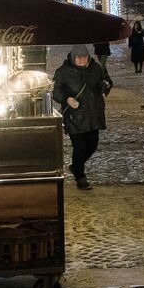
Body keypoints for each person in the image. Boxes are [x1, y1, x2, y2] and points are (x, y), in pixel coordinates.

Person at [52, 44, 113, 190]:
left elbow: (107, 80)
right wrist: (67, 99)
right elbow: (56, 92)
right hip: (74, 116)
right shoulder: (62, 72)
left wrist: (104, 86)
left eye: (85, 57)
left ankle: (75, 166)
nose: (82, 60)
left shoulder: (96, 68)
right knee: (80, 147)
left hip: (93, 114)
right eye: (79, 57)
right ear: (73, 57)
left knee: (92, 145)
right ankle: (80, 177)